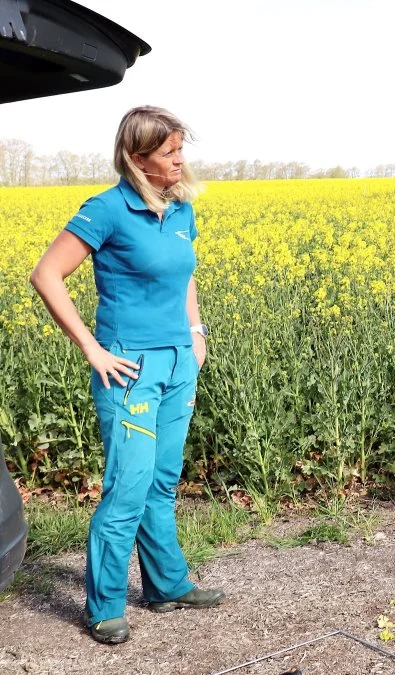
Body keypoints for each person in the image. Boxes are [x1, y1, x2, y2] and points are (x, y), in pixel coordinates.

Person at [30, 106, 224, 644]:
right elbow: (45, 274)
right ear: (137, 159)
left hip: (178, 361)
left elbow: (185, 274)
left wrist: (197, 331)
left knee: (161, 482)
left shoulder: (180, 209)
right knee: (128, 488)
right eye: (169, 153)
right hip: (128, 367)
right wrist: (92, 348)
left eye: (181, 149)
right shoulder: (107, 210)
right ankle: (105, 605)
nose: (180, 161)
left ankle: (165, 586)